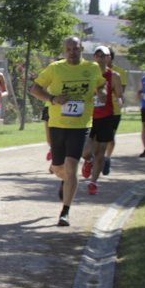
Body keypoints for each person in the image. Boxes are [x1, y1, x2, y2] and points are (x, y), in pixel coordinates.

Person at [29, 36, 106, 226]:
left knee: (72, 165)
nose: (72, 52)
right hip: (57, 124)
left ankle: (65, 211)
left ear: (81, 49)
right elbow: (35, 89)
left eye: (75, 48)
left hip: (80, 125)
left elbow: (100, 84)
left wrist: (102, 92)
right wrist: (53, 98)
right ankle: (65, 181)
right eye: (68, 49)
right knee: (59, 169)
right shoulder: (55, 68)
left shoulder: (92, 68)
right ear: (64, 51)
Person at [80, 46, 123, 195]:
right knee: (86, 151)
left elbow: (119, 95)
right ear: (94, 58)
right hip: (89, 117)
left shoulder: (114, 76)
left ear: (108, 58)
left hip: (106, 117)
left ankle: (93, 182)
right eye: (97, 56)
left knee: (100, 153)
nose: (100, 59)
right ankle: (88, 161)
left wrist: (119, 100)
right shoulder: (87, 74)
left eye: (103, 56)